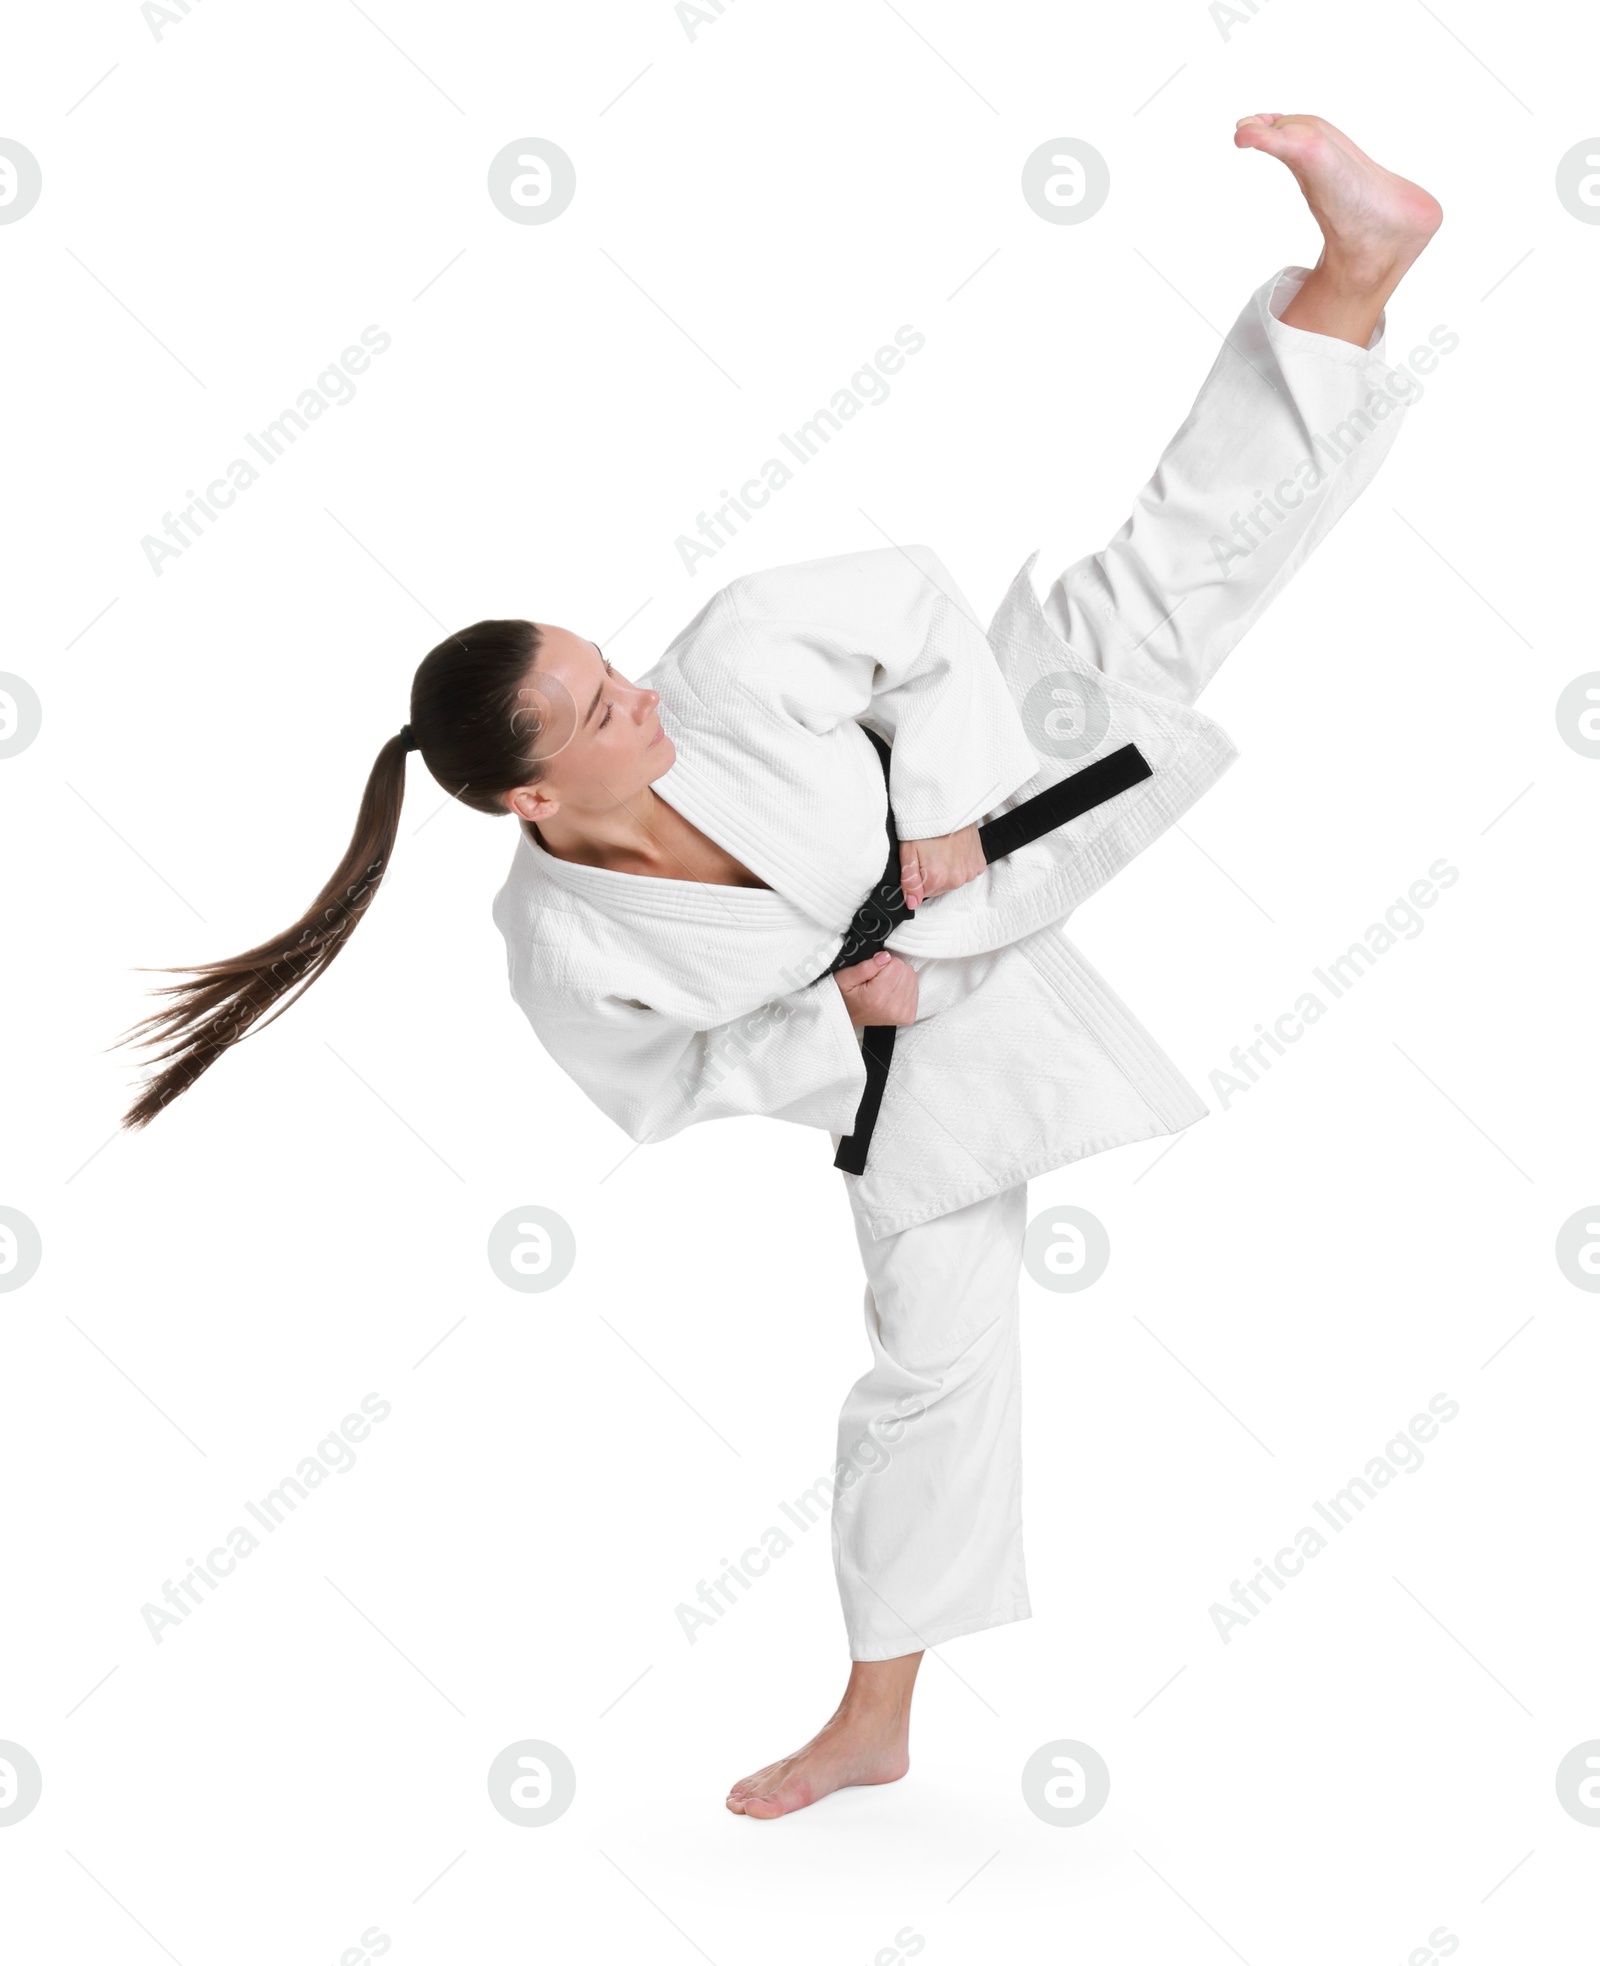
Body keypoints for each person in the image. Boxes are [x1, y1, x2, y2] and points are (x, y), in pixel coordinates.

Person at [121, 114, 1442, 1820]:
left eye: (611, 659)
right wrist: (832, 1014)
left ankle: (1359, 267)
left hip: (987, 803)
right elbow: (667, 1088)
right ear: (531, 797)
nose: (639, 692)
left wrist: (959, 806)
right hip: (904, 1062)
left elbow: (920, 602)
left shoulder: (736, 652)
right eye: (602, 708)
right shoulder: (559, 944)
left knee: (1164, 585)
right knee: (932, 1362)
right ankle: (875, 1718)